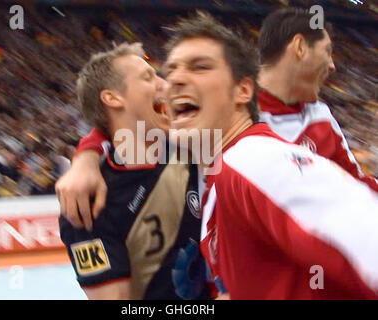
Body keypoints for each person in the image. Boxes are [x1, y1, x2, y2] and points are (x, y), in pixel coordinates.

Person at [161, 12, 378, 299]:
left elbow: (363, 232)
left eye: (199, 67)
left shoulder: (248, 158)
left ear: (243, 90)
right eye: (170, 70)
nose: (174, 79)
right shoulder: (221, 174)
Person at [58, 42, 212, 300]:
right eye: (148, 77)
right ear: (113, 98)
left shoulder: (194, 147)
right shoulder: (88, 203)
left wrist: (86, 152)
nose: (166, 83)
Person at [257, 8, 377, 191]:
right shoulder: (231, 114)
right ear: (300, 48)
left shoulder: (321, 116)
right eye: (327, 51)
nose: (332, 66)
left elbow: (358, 184)